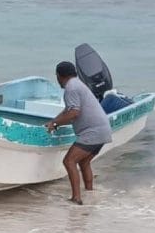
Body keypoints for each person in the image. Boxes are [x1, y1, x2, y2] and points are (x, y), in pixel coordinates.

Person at [45, 60, 113, 205]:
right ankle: (89, 192)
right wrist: (54, 121)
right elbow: (68, 110)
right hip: (103, 130)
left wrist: (55, 123)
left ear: (59, 76)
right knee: (84, 161)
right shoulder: (78, 84)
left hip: (92, 132)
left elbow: (74, 112)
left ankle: (76, 198)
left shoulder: (71, 88)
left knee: (69, 161)